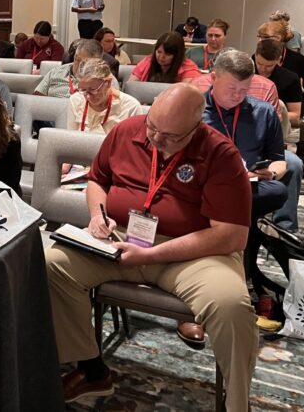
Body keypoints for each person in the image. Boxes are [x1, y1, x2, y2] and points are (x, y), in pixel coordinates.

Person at [44, 84, 256, 409]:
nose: (156, 138)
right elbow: (97, 179)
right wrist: (98, 215)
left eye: (170, 136)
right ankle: (91, 369)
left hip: (191, 254)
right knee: (51, 264)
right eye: (152, 127)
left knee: (231, 306)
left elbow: (231, 236)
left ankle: (238, 404)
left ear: (196, 126)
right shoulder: (127, 131)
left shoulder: (221, 154)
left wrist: (152, 253)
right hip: (120, 240)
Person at [201, 50, 289, 332]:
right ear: (213, 79)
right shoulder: (194, 110)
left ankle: (233, 282)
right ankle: (244, 282)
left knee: (276, 190)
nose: (238, 95)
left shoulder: (263, 112)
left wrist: (269, 172)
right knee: (242, 216)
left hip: (248, 186)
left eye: (244, 89)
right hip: (203, 186)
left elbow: (279, 160)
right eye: (231, 89)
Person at [66, 58, 142, 134]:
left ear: (108, 83)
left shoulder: (131, 107)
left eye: (93, 90)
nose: (88, 96)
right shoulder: (75, 100)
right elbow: (71, 138)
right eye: (83, 90)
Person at [257, 20, 304, 107]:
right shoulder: (257, 57)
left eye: (265, 37)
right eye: (259, 37)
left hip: (292, 103)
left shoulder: (297, 59)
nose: (261, 41)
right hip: (263, 102)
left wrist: (299, 95)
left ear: (279, 38)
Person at [254, 39, 302, 127]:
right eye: (259, 63)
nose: (263, 69)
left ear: (279, 60)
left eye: (269, 66)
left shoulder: (290, 78)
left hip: (276, 123)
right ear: (255, 56)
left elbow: (295, 115)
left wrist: (266, 116)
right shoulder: (245, 72)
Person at [34, 39, 104, 98]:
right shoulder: (55, 72)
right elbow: (36, 98)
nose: (79, 66)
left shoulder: (103, 79)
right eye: (77, 60)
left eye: (85, 63)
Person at [129, 32, 200, 83]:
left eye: (167, 54)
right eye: (159, 52)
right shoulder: (147, 61)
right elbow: (131, 86)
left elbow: (187, 93)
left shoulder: (189, 69)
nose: (161, 57)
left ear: (177, 55)